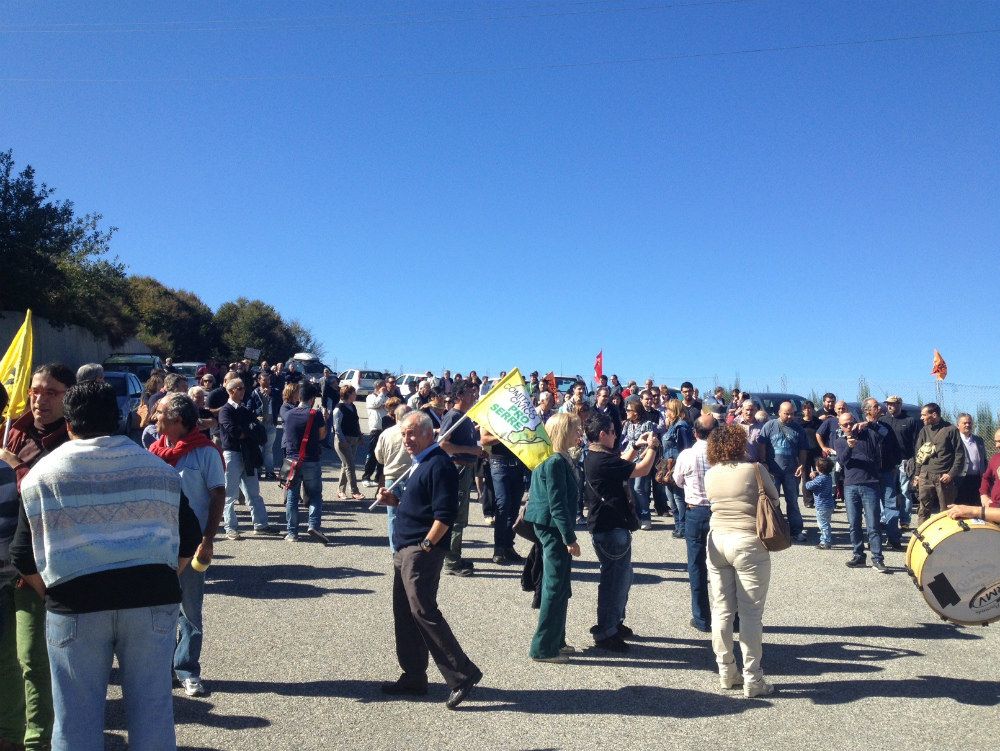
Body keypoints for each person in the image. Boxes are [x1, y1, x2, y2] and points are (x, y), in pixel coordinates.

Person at [10, 381, 201, 750]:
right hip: (152, 598)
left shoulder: (41, 476)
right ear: (118, 419)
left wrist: (50, 591)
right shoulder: (158, 470)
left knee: (75, 721)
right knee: (153, 714)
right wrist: (163, 576)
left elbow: (21, 555)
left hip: (74, 602)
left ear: (69, 424)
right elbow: (189, 539)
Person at [376, 412, 482, 709]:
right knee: (405, 613)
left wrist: (426, 545)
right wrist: (395, 502)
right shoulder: (421, 462)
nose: (406, 440)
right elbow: (421, 505)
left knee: (423, 611)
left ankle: (463, 674)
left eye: (412, 434)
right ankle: (413, 675)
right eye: (403, 434)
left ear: (428, 434)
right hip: (405, 549)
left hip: (419, 552)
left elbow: (445, 514)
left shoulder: (439, 464)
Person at [0, 364, 75, 751]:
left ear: (68, 395)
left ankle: (38, 740)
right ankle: (10, 736)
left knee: (33, 658)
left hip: (41, 565)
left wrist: (17, 466)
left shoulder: (75, 436)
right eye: (35, 391)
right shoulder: (15, 429)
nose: (39, 399)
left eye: (50, 392)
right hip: (5, 560)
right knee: (6, 661)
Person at [148, 393, 225, 698]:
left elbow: (218, 496)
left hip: (192, 545)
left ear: (177, 420)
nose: (155, 419)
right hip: (158, 544)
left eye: (160, 414)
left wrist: (208, 540)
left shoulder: (206, 453)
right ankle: (159, 668)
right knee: (159, 608)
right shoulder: (153, 452)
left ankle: (188, 669)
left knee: (190, 610)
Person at [703, 423, 778, 698]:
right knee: (750, 614)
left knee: (721, 609)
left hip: (717, 540)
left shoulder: (710, 474)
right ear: (739, 443)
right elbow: (775, 502)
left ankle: (726, 671)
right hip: (747, 541)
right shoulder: (754, 470)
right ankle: (753, 678)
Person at [582, 411, 659, 652]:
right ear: (602, 434)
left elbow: (623, 461)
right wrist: (654, 447)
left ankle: (614, 622)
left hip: (608, 526)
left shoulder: (596, 456)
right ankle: (606, 632)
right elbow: (642, 469)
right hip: (610, 528)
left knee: (622, 578)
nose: (616, 436)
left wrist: (637, 445)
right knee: (614, 582)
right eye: (613, 433)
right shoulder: (602, 461)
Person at [524, 414, 582, 663]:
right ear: (562, 432)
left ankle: (557, 640)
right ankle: (543, 648)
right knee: (554, 587)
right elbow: (556, 503)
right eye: (575, 429)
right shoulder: (555, 461)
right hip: (553, 528)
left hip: (550, 526)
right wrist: (569, 538)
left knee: (560, 586)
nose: (579, 433)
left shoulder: (555, 457)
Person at [673, 414, 717, 633]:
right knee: (726, 567)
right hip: (722, 512)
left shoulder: (687, 455)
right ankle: (733, 616)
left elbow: (677, 480)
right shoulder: (724, 454)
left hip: (696, 511)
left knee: (697, 566)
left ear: (695, 433)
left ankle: (701, 618)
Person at [219, 378, 277, 540]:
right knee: (230, 494)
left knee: (254, 493)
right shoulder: (225, 410)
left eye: (243, 387)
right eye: (239, 388)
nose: (243, 390)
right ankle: (230, 527)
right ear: (231, 391)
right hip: (233, 454)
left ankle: (261, 525)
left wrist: (249, 431)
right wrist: (249, 431)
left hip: (248, 454)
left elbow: (259, 431)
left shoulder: (244, 410)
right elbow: (234, 432)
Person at [438, 382, 486, 576]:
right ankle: (450, 561)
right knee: (455, 516)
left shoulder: (465, 418)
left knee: (461, 516)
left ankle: (454, 555)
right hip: (456, 469)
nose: (474, 396)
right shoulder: (453, 416)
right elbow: (443, 444)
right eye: (470, 393)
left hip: (466, 469)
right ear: (459, 395)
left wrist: (478, 452)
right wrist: (470, 450)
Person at [833, 412, 888, 573]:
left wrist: (869, 424)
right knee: (854, 524)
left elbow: (885, 434)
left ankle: (877, 558)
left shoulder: (869, 435)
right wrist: (849, 447)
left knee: (873, 524)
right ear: (840, 427)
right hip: (850, 486)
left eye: (851, 423)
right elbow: (842, 461)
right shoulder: (839, 442)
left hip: (870, 484)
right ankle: (858, 555)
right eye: (845, 425)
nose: (849, 427)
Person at [281, 381, 328, 543]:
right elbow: (322, 435)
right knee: (315, 494)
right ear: (312, 398)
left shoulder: (288, 414)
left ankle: (292, 532)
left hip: (292, 460)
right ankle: (313, 524)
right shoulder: (315, 414)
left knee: (292, 496)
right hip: (311, 459)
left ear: (298, 397)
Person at [759, 401, 808, 542]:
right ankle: (775, 530)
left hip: (791, 471)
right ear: (779, 412)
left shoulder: (798, 429)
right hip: (773, 471)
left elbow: (803, 449)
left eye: (792, 413)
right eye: (786, 413)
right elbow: (762, 444)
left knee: (792, 501)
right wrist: (763, 462)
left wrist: (802, 465)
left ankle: (796, 530)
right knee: (773, 502)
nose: (789, 416)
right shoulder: (770, 426)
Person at [481, 425, 528, 566]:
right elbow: (484, 439)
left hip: (519, 463)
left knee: (514, 507)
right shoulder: (493, 415)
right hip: (498, 462)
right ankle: (499, 548)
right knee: (503, 503)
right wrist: (504, 436)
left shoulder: (521, 415)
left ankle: (508, 546)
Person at [913, 403, 965, 526]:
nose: (921, 418)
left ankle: (946, 540)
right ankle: (921, 539)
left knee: (946, 511)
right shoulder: (924, 430)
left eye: (924, 415)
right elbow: (919, 455)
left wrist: (951, 474)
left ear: (934, 415)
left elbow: (960, 455)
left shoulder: (951, 430)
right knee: (923, 510)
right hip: (925, 475)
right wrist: (917, 475)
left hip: (944, 477)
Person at [374, 405, 413, 553]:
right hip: (409, 475)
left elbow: (379, 456)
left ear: (395, 417)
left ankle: (394, 549)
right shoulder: (412, 433)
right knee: (410, 512)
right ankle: (407, 546)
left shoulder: (386, 433)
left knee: (393, 516)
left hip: (391, 475)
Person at [880, 396, 920, 528]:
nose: (890, 406)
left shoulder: (909, 421)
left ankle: (905, 521)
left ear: (899, 404)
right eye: (888, 404)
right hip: (887, 462)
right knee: (887, 491)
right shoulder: (882, 420)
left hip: (905, 461)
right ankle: (885, 519)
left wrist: (914, 461)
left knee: (904, 491)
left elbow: (916, 442)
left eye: (893, 404)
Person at [662, 399, 694, 537]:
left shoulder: (681, 426)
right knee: (670, 496)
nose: (666, 412)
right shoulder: (672, 425)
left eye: (668, 409)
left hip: (676, 465)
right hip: (668, 466)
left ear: (674, 410)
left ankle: (683, 527)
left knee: (678, 497)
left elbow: (685, 449)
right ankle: (677, 525)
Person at [333, 385, 365, 500]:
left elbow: (356, 423)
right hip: (343, 441)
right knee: (350, 466)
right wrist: (343, 441)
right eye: (354, 393)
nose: (355, 395)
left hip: (354, 439)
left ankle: (340, 491)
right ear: (348, 394)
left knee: (345, 465)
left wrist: (360, 435)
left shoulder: (353, 406)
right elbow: (337, 428)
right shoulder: (339, 408)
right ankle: (355, 491)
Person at [247, 371, 280, 480]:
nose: (266, 382)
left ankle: (269, 472)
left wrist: (271, 394)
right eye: (264, 380)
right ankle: (258, 470)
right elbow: (249, 408)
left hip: (271, 424)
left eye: (268, 380)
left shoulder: (275, 391)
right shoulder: (254, 393)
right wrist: (257, 413)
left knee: (269, 449)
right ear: (259, 381)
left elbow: (280, 403)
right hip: (259, 425)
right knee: (259, 448)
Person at [794, 400, 822, 508]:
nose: (808, 410)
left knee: (819, 475)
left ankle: (820, 499)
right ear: (802, 410)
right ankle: (808, 501)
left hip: (816, 451)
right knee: (805, 477)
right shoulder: (798, 423)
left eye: (810, 408)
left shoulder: (818, 422)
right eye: (805, 408)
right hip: (803, 452)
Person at [361, 380, 389, 487]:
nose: (385, 388)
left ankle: (378, 478)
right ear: (378, 387)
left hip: (385, 429)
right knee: (372, 454)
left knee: (382, 455)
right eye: (383, 386)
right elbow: (376, 404)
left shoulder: (385, 397)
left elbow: (387, 406)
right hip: (375, 430)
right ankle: (366, 477)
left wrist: (383, 398)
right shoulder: (370, 397)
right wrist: (381, 394)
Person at [955, 413, 986, 505]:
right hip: (961, 480)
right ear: (958, 425)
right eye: (964, 423)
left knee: (977, 506)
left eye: (969, 423)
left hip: (977, 479)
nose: (967, 425)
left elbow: (984, 459)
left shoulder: (979, 440)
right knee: (962, 506)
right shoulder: (954, 440)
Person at [806, 457, 836, 549]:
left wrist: (811, 478)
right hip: (829, 505)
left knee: (822, 524)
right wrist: (817, 474)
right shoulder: (828, 477)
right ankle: (824, 539)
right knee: (826, 523)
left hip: (822, 505)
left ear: (819, 468)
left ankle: (826, 541)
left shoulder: (820, 479)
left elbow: (808, 486)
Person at [977, 429, 1000, 509]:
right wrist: (984, 495)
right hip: (993, 508)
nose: (997, 445)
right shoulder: (995, 459)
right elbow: (986, 478)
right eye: (996, 441)